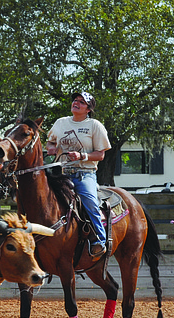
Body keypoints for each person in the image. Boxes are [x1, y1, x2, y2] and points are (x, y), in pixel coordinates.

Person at [45, 91, 112, 258]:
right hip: (62, 173)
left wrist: (82, 156)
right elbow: (50, 140)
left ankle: (99, 239)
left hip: (85, 173)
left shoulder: (95, 125)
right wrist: (51, 148)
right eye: (75, 100)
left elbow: (101, 155)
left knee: (90, 201)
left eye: (81, 102)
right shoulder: (61, 123)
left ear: (88, 109)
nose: (76, 103)